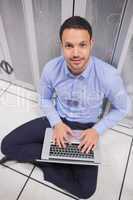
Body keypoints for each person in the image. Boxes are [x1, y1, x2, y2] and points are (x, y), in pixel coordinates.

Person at [0, 16, 131, 199]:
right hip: (57, 121)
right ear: (62, 45)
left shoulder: (108, 75)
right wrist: (57, 124)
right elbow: (44, 99)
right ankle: (56, 158)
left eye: (82, 45)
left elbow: (123, 108)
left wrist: (97, 130)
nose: (76, 53)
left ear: (91, 43)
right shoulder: (51, 68)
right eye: (69, 45)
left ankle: (48, 161)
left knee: (85, 191)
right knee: (7, 145)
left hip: (86, 128)